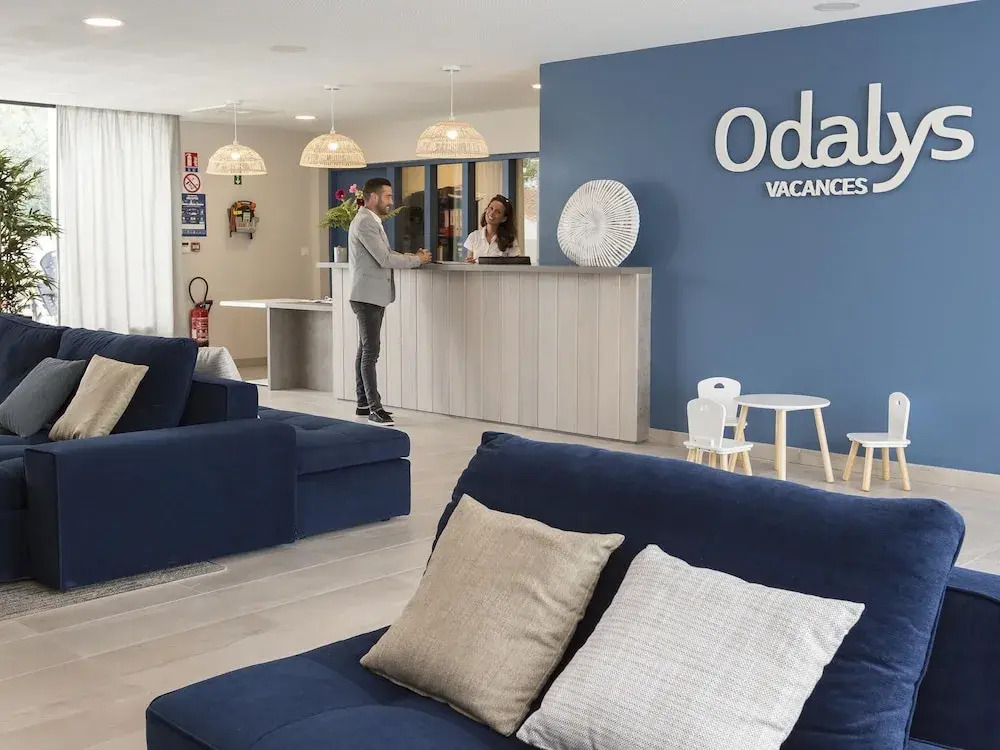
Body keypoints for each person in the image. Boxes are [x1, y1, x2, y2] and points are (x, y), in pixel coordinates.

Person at [349, 177, 432, 425]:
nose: (391, 201)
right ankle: (375, 409)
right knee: (370, 352)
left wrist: (411, 256)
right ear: (373, 197)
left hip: (370, 295)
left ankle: (363, 403)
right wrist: (417, 260)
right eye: (387, 196)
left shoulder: (371, 221)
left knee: (365, 349)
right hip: (367, 296)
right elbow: (384, 259)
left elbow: (385, 254)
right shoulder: (365, 222)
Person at [464, 194, 520, 263]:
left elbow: (516, 265)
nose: (492, 213)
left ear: (504, 218)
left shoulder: (510, 240)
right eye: (491, 208)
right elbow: (468, 263)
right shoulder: (474, 236)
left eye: (498, 212)